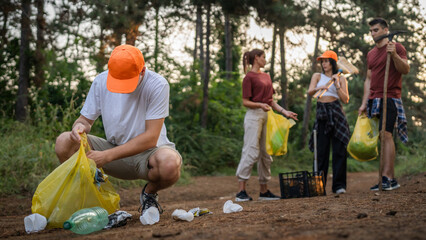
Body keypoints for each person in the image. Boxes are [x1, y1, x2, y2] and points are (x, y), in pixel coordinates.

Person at [55, 44, 182, 220]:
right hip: (113, 148)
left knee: (170, 165)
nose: (122, 88)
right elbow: (85, 120)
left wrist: (106, 156)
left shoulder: (157, 84)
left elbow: (151, 138)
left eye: (127, 81)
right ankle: (94, 199)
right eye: (118, 81)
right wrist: (79, 126)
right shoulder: (101, 81)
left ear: (143, 71)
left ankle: (149, 195)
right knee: (64, 141)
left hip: (149, 154)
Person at [235, 49, 298, 202]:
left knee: (265, 153)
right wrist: (259, 105)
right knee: (251, 151)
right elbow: (245, 101)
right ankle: (241, 192)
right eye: (263, 57)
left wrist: (285, 112)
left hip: (266, 115)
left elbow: (270, 100)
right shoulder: (249, 77)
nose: (265, 59)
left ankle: (264, 191)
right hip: (253, 116)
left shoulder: (266, 76)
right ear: (256, 58)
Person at [358, 18, 409, 191]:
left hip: (390, 97)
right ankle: (390, 179)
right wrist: (365, 102)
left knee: (386, 134)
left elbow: (405, 69)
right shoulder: (371, 54)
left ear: (386, 30)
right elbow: (368, 79)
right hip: (374, 98)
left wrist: (394, 54)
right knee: (381, 136)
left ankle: (386, 177)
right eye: (371, 31)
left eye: (376, 30)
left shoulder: (397, 47)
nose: (373, 33)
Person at [307, 50, 350, 195]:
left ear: (332, 62)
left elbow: (345, 99)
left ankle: (339, 186)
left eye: (326, 61)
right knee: (321, 151)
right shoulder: (317, 76)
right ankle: (319, 186)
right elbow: (310, 92)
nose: (324, 64)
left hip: (336, 111)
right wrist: (320, 87)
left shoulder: (341, 78)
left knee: (339, 151)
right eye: (322, 61)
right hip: (322, 112)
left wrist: (337, 84)